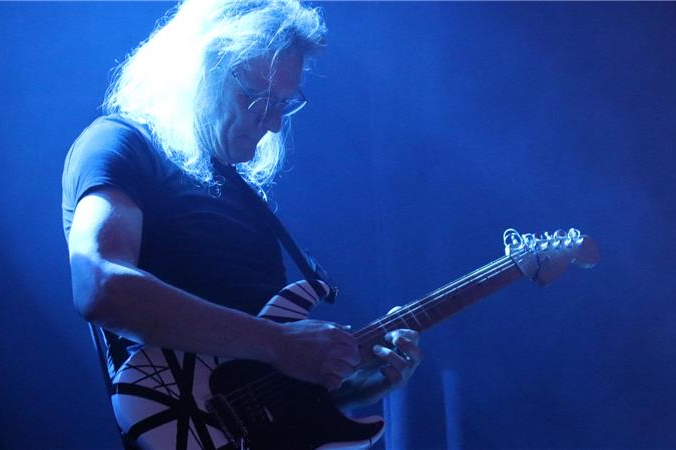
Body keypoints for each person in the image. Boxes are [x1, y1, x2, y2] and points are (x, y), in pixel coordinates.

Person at [62, 0, 421, 446]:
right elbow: (100, 286)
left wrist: (357, 382)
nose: (272, 123)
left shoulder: (243, 194)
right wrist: (279, 343)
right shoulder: (120, 142)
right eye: (258, 98)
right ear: (200, 71)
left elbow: (247, 391)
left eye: (283, 104)